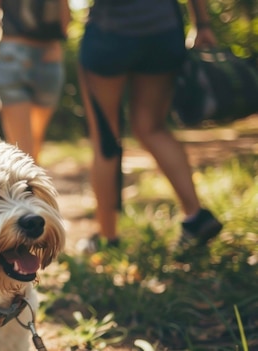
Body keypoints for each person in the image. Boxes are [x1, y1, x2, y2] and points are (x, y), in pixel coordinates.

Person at [73, 0, 222, 256]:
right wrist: (202, 23)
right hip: (162, 31)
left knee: (106, 139)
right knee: (152, 127)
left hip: (109, 33)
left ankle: (109, 240)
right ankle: (196, 216)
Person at [0, 0, 71, 163]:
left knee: (23, 149)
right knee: (31, 148)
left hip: (12, 52)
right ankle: (30, 185)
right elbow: (65, 25)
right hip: (50, 55)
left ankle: (28, 184)